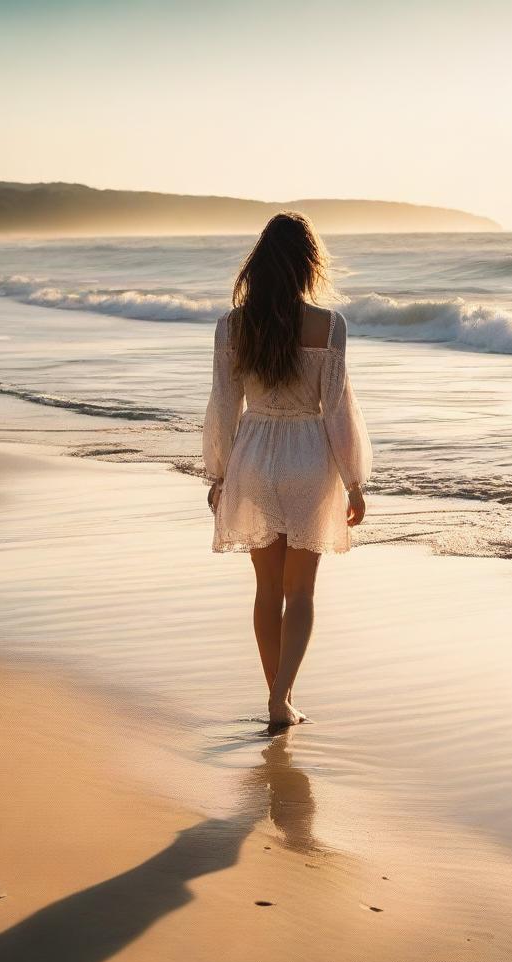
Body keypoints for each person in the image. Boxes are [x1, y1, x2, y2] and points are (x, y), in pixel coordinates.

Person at [202, 212, 372, 729]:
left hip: (253, 456)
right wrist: (354, 480)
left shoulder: (233, 326)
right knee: (301, 592)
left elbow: (222, 406)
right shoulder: (329, 326)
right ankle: (283, 697)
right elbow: (337, 409)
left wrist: (218, 473)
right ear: (307, 264)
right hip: (308, 457)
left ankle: (276, 694)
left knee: (265, 591)